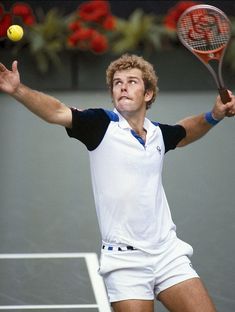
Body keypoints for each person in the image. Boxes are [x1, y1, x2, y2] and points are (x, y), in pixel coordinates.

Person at [0, 54, 235, 312]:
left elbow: (184, 132)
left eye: (132, 81)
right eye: (117, 83)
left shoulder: (157, 134)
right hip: (125, 262)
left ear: (148, 94)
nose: (122, 86)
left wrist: (213, 115)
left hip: (168, 253)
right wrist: (17, 90)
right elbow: (56, 110)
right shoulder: (100, 125)